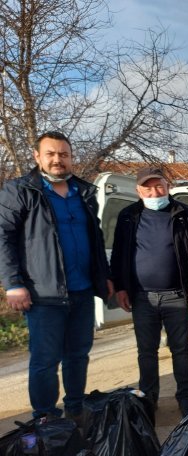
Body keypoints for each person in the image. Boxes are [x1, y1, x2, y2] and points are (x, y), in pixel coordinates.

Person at [0, 131, 112, 422]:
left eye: (63, 154)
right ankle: (45, 419)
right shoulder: (20, 191)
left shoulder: (84, 192)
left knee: (78, 356)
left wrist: (104, 276)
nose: (57, 159)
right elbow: (3, 238)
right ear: (37, 157)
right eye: (50, 154)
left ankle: (75, 410)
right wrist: (13, 284)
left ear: (71, 157)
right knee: (45, 361)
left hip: (82, 291)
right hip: (43, 294)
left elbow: (95, 238)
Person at [110, 166, 188, 416]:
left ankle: (185, 397)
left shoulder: (185, 214)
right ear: (138, 190)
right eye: (147, 187)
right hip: (142, 297)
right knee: (146, 351)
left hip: (177, 295)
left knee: (181, 349)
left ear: (167, 186)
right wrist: (121, 287)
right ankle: (149, 398)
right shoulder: (128, 216)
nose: (154, 191)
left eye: (158, 185)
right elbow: (119, 254)